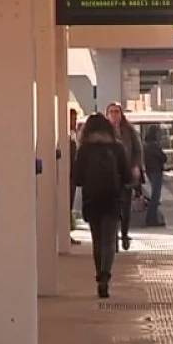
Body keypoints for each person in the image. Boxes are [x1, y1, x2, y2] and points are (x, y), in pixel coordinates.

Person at [73, 113, 131, 298]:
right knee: (109, 240)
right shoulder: (117, 147)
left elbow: (78, 178)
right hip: (112, 198)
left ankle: (99, 274)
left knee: (97, 240)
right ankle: (105, 275)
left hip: (92, 199)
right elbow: (127, 175)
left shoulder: (84, 149)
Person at [105, 102, 143, 250]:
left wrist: (136, 167)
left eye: (117, 112)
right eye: (111, 112)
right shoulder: (104, 132)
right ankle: (113, 237)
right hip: (109, 176)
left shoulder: (129, 131)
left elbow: (137, 150)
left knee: (125, 207)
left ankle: (125, 234)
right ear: (107, 115)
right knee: (112, 208)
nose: (114, 114)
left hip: (125, 175)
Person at [143, 124, 167, 227]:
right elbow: (163, 157)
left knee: (155, 195)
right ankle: (151, 219)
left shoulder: (147, 144)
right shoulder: (153, 145)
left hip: (151, 170)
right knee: (155, 197)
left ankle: (151, 218)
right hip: (156, 170)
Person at [69, 108, 81, 245]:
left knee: (69, 205)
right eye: (72, 119)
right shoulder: (66, 135)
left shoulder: (73, 134)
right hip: (68, 175)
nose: (74, 122)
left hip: (72, 175)